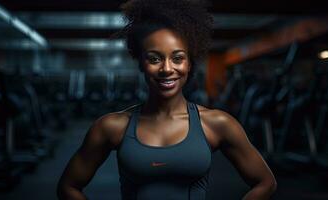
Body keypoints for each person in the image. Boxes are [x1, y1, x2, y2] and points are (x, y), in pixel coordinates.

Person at [57, 0, 277, 199]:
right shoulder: (111, 127)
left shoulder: (216, 124)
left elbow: (265, 182)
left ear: (190, 64)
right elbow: (68, 187)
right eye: (154, 59)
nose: (167, 69)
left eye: (178, 58)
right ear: (141, 63)